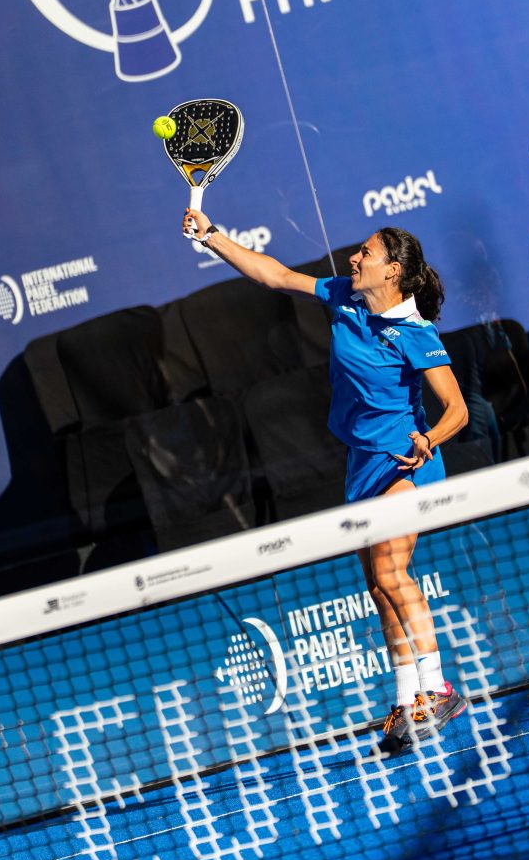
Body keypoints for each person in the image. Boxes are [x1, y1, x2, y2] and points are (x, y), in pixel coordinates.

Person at [183, 208, 469, 754]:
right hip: (362, 465)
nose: (353, 258)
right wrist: (212, 236)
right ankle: (406, 697)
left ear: (392, 272)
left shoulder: (415, 333)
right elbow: (274, 275)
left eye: (366, 253)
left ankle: (438, 688)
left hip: (405, 463)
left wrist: (429, 439)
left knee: (391, 572)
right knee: (377, 586)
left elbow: (456, 409)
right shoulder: (343, 296)